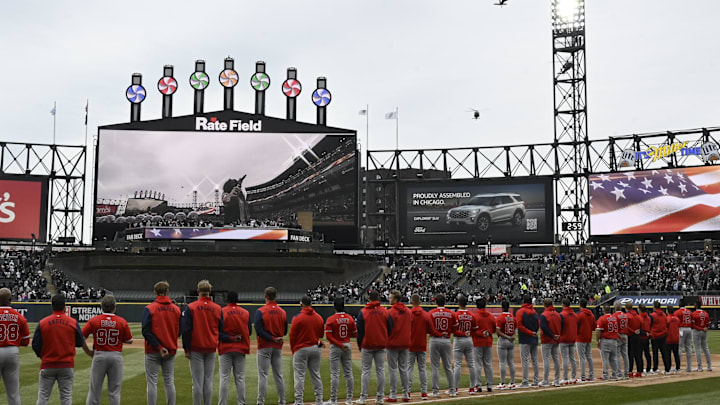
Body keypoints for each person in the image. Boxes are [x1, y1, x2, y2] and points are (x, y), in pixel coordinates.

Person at [33, 294, 94, 405]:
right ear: (64, 306)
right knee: (66, 397)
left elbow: (35, 345)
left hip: (48, 364)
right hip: (66, 365)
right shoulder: (72, 322)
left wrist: (43, 356)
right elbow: (80, 342)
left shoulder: (43, 323)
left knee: (43, 396)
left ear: (52, 306)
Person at [83, 295, 133, 405]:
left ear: (102, 306)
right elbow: (129, 340)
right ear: (115, 307)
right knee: (114, 392)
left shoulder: (94, 320)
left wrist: (88, 352)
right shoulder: (121, 321)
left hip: (99, 355)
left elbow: (81, 338)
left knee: (94, 390)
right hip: (116, 355)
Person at [182, 280, 223, 405]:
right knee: (208, 381)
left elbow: (186, 330)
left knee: (197, 382)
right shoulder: (217, 308)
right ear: (209, 291)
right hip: (210, 347)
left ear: (198, 291)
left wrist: (186, 349)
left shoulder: (191, 307)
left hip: (195, 348)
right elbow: (222, 328)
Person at [142, 281, 182, 405]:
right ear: (167, 292)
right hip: (170, 349)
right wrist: (169, 340)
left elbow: (146, 330)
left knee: (152, 382)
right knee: (169, 381)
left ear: (155, 292)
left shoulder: (150, 308)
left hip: (153, 350)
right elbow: (180, 330)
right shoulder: (176, 309)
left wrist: (159, 346)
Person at [356, 290, 392, 405]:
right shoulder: (385, 312)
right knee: (380, 371)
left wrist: (359, 344)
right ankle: (380, 398)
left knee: (366, 371)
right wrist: (385, 339)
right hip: (381, 345)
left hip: (367, 345)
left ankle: (363, 398)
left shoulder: (363, 312)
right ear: (379, 298)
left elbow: (360, 331)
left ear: (369, 299)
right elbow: (390, 328)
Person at [218, 291, 252, 405]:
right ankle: (241, 403)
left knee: (224, 378)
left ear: (227, 299)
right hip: (240, 348)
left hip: (225, 348)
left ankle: (222, 403)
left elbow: (218, 333)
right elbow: (250, 332)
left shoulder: (221, 312)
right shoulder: (245, 313)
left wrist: (230, 338)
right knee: (240, 378)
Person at [255, 286, 287, 405]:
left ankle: (260, 402)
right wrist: (276, 338)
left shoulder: (261, 311)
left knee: (263, 374)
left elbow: (259, 330)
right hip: (278, 346)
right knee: (278, 374)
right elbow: (284, 331)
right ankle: (282, 401)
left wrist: (271, 338)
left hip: (264, 346)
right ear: (276, 296)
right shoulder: (282, 311)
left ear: (265, 296)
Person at [290, 296, 325, 405]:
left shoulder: (297, 318)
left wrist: (293, 350)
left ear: (301, 304)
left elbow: (292, 336)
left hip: (301, 349)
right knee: (316, 375)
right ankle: (319, 400)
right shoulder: (319, 317)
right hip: (315, 348)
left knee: (299, 376)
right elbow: (320, 335)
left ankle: (299, 401)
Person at [325, 296, 357, 405]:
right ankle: (349, 399)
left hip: (336, 346)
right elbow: (355, 333)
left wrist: (339, 344)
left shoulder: (331, 319)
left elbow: (328, 336)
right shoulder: (350, 318)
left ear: (334, 307)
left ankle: (333, 400)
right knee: (348, 373)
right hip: (347, 345)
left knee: (335, 374)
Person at [0, 287, 30, 405]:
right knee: (13, 393)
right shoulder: (19, 316)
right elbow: (26, 341)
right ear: (10, 299)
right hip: (12, 351)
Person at [428, 293, 457, 397]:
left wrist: (439, 333)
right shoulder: (451, 313)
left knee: (435, 367)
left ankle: (436, 391)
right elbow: (455, 328)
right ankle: (453, 391)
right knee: (448, 366)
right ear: (445, 302)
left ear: (436, 302)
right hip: (446, 340)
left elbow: (429, 329)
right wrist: (447, 332)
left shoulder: (431, 313)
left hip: (434, 340)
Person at [386, 290, 412, 402]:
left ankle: (393, 394)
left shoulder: (390, 312)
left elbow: (387, 328)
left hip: (393, 343)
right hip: (405, 342)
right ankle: (406, 394)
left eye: (391, 298)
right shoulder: (408, 311)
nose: (389, 299)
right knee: (404, 369)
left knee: (392, 369)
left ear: (395, 299)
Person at [408, 294, 432, 400]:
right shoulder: (426, 315)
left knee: (409, 369)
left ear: (411, 302)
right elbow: (430, 330)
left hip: (410, 344)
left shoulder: (408, 314)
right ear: (420, 302)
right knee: (422, 369)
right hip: (422, 344)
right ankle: (424, 393)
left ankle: (407, 392)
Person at [452, 295, 477, 395]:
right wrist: (468, 333)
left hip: (459, 340)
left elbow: (453, 330)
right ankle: (472, 388)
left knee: (457, 364)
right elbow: (475, 329)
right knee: (471, 364)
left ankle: (455, 388)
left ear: (459, 303)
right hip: (469, 339)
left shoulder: (456, 314)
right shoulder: (472, 315)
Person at [516, 294, 540, 388]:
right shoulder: (534, 312)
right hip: (534, 338)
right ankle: (536, 381)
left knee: (525, 360)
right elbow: (538, 324)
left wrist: (529, 333)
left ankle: (525, 382)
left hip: (525, 338)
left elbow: (519, 326)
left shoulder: (520, 311)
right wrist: (534, 332)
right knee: (535, 360)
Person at [472, 297, 495, 393]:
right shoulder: (490, 316)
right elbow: (494, 329)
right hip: (488, 341)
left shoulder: (475, 316)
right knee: (488, 364)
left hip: (477, 342)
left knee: (477, 364)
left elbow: (473, 330)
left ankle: (478, 385)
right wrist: (487, 333)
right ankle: (489, 385)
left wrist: (481, 333)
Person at [495, 300, 516, 390]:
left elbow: (498, 332)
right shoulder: (513, 317)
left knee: (502, 362)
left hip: (503, 340)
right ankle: (512, 382)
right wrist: (510, 336)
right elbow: (515, 329)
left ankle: (503, 383)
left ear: (502, 307)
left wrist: (507, 337)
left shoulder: (500, 317)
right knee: (511, 362)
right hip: (511, 340)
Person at [539, 298, 561, 387]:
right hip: (556, 339)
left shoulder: (544, 315)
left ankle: (545, 380)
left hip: (547, 339)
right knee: (556, 359)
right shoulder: (557, 314)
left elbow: (544, 328)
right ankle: (557, 380)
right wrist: (557, 335)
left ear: (544, 305)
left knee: (546, 360)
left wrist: (552, 335)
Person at [595, 305, 620, 381]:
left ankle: (606, 375)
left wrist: (597, 340)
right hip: (614, 340)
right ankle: (615, 375)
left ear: (603, 311)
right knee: (614, 359)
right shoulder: (615, 318)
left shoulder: (602, 318)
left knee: (605, 359)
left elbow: (598, 331)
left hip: (606, 340)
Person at [558, 298, 577, 384]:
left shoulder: (562, 314)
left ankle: (565, 378)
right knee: (572, 358)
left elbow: (560, 327)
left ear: (563, 304)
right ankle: (573, 377)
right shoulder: (574, 314)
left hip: (564, 338)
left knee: (565, 358)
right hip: (572, 338)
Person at [576, 299, 596, 382]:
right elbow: (594, 327)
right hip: (589, 337)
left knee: (582, 358)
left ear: (580, 305)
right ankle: (591, 375)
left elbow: (576, 326)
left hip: (580, 337)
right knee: (589, 357)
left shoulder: (579, 315)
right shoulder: (591, 315)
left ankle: (583, 376)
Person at [673, 299, 694, 373]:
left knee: (679, 347)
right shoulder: (690, 312)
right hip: (689, 329)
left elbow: (675, 321)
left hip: (681, 329)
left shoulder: (677, 312)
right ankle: (689, 367)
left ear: (680, 304)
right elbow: (692, 321)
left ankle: (678, 367)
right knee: (688, 347)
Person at [649, 301, 670, 374]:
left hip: (655, 336)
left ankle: (655, 368)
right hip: (663, 335)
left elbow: (649, 325)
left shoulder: (652, 315)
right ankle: (667, 369)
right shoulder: (664, 314)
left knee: (655, 353)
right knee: (664, 353)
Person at [691, 302, 712, 372]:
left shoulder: (694, 314)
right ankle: (709, 366)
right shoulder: (706, 313)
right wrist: (705, 328)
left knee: (697, 349)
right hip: (704, 332)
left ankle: (699, 367)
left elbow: (693, 325)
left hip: (697, 331)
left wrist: (701, 328)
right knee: (705, 348)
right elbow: (708, 324)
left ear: (696, 306)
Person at [625, 302, 643, 378]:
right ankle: (639, 371)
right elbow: (642, 323)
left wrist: (633, 331)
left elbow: (626, 326)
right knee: (638, 354)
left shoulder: (627, 316)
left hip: (630, 335)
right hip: (638, 336)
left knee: (630, 354)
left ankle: (630, 371)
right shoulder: (638, 316)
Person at [613, 302, 629, 379]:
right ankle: (626, 372)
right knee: (625, 355)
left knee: (618, 355)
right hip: (625, 335)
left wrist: (619, 336)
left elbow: (615, 328)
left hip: (618, 336)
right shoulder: (625, 315)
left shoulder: (614, 316)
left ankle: (619, 373)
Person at [638, 304, 652, 375]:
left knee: (640, 354)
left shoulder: (639, 317)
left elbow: (638, 328)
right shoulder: (648, 317)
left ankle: (641, 369)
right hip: (647, 337)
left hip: (641, 337)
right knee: (647, 353)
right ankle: (648, 368)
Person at [665, 305, 681, 373]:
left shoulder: (667, 318)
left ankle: (668, 369)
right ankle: (678, 368)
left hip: (669, 338)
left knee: (668, 354)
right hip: (676, 338)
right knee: (676, 354)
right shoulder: (677, 318)